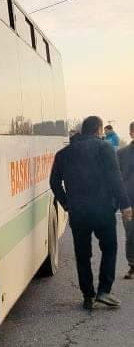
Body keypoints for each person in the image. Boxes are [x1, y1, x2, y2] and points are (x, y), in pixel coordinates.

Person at [50, 115, 132, 310]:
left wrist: (67, 204)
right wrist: (125, 205)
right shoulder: (105, 149)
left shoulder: (64, 153)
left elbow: (54, 183)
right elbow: (115, 179)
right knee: (110, 248)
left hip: (78, 212)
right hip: (103, 209)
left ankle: (88, 295)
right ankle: (104, 291)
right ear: (99, 130)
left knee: (82, 254)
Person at [117, 120, 134, 280]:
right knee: (131, 234)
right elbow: (116, 178)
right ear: (131, 133)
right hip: (129, 201)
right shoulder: (121, 154)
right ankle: (132, 265)